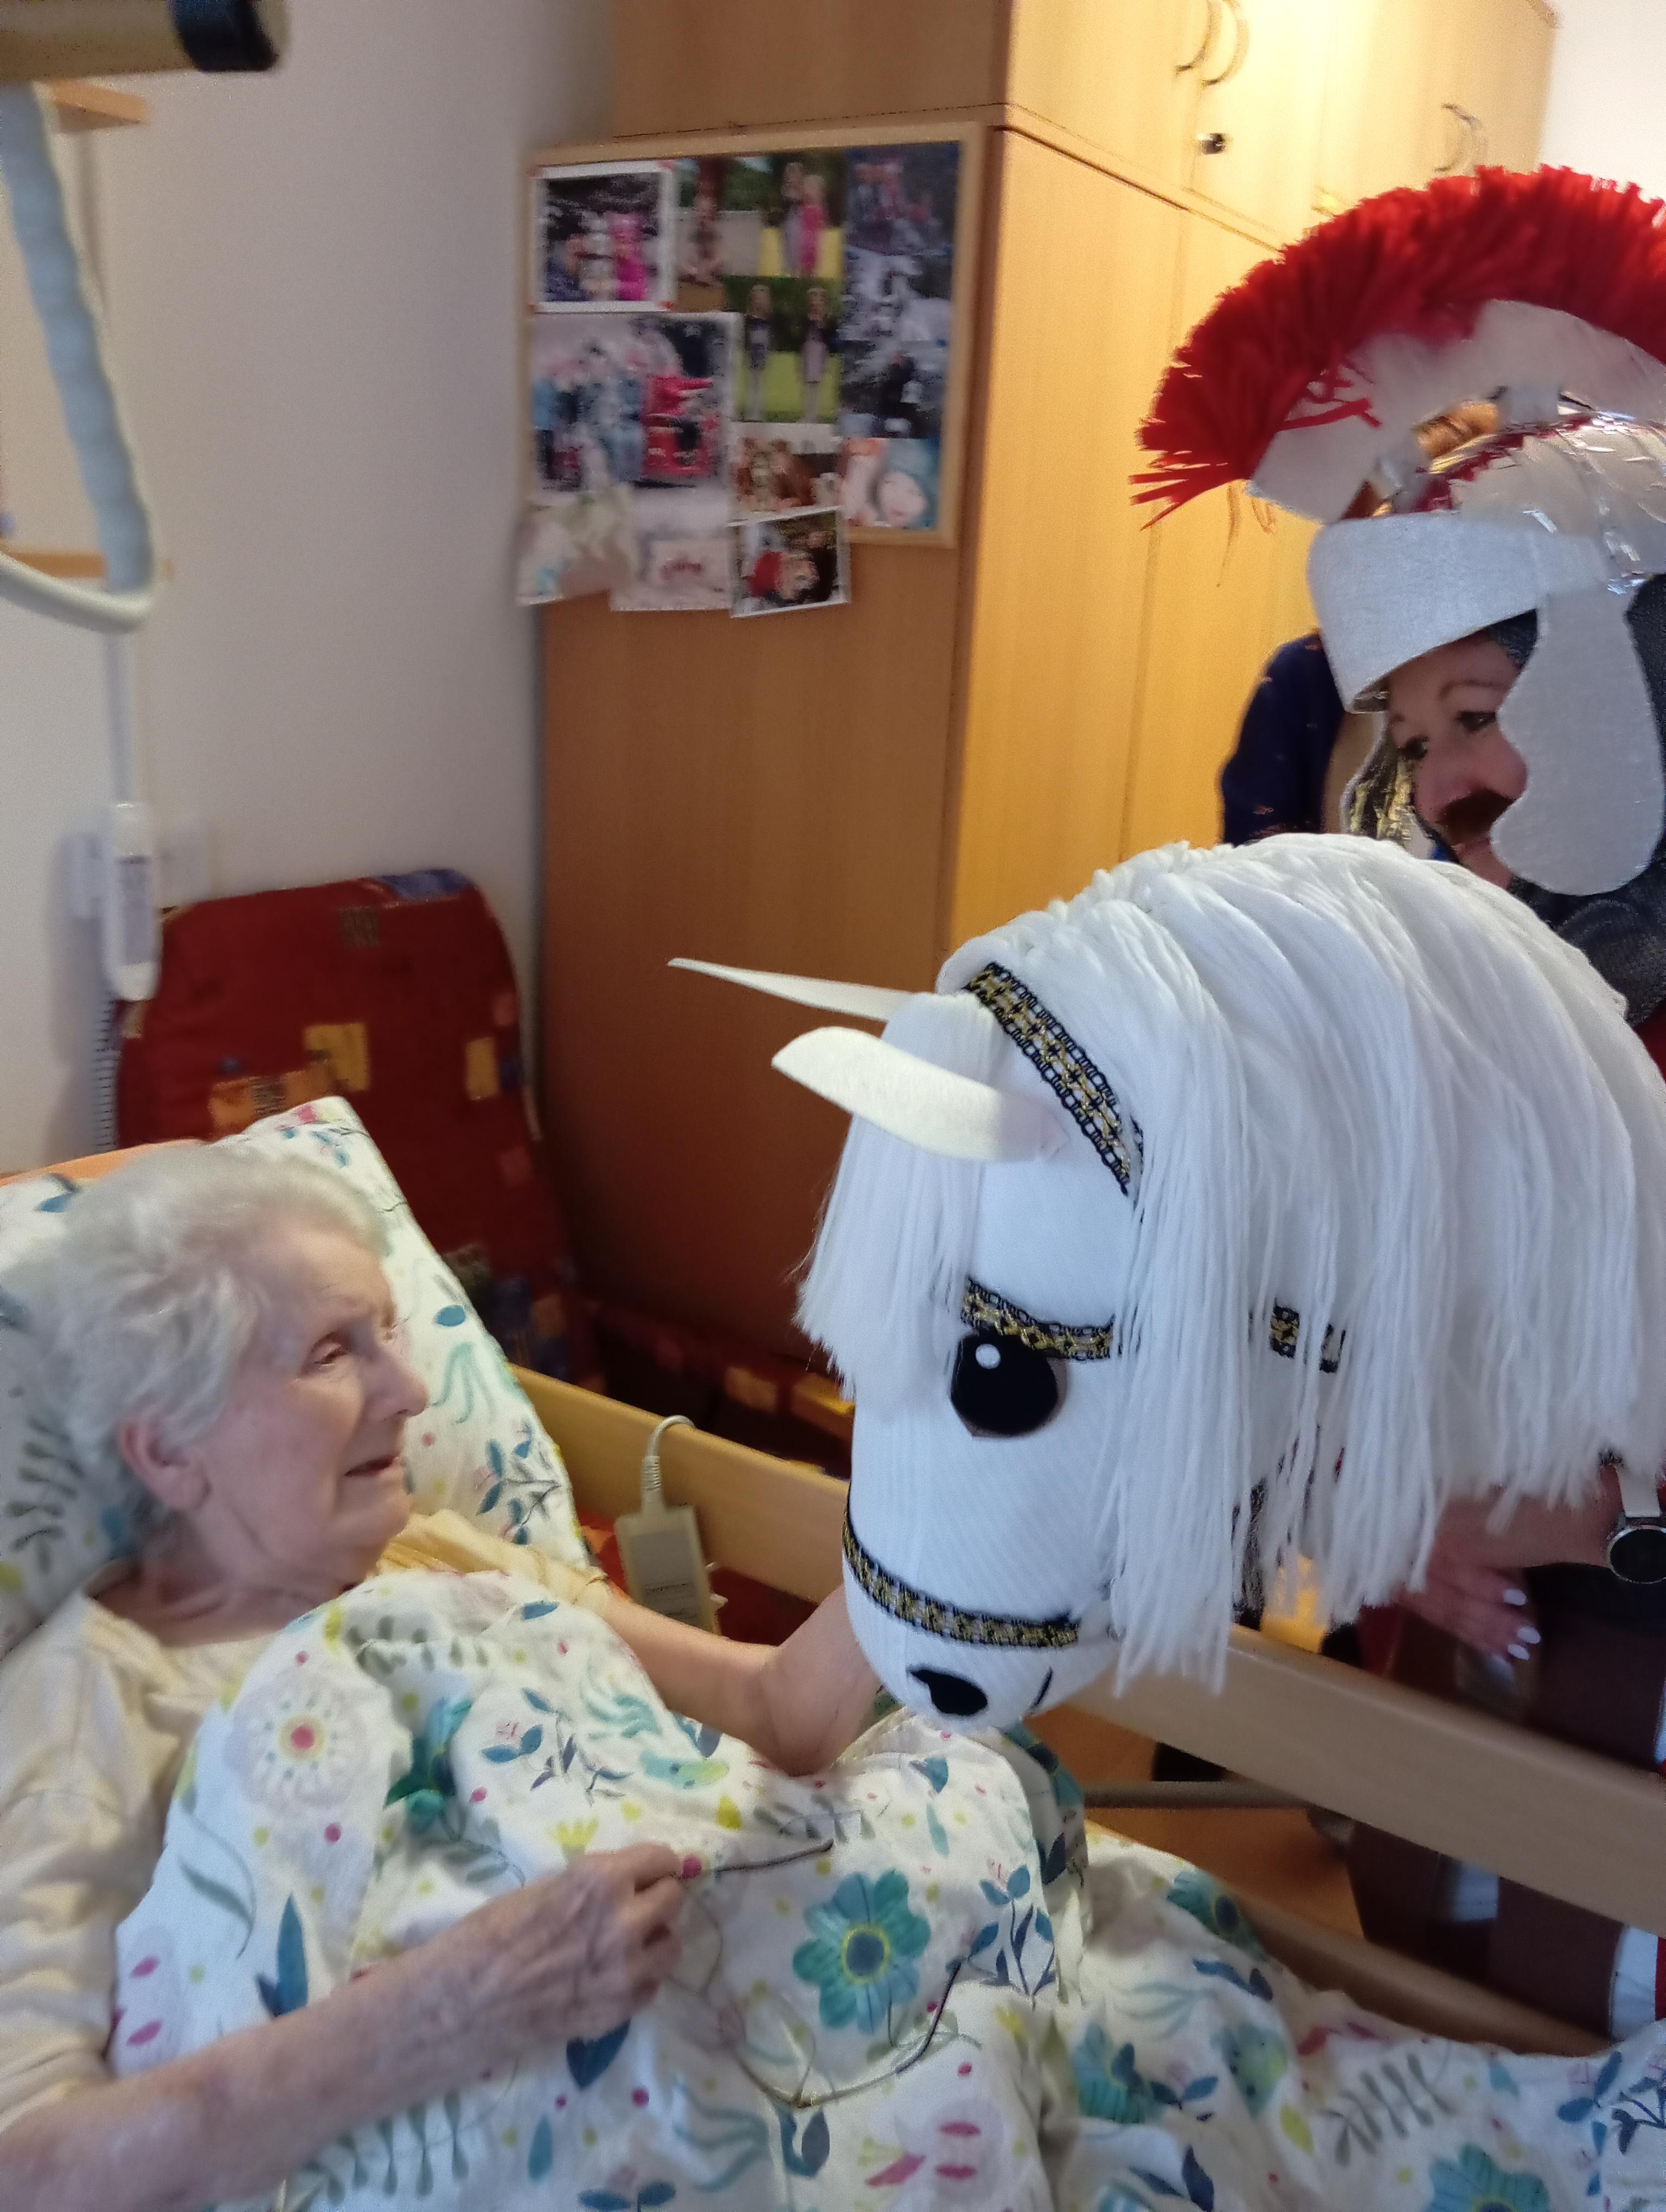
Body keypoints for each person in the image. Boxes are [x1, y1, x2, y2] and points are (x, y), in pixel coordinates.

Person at [1138, 164, 1666, 2034]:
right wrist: (1383, 1509)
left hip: (1620, 1690)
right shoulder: (1446, 1009)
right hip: (1441, 1653)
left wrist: (1512, 1521)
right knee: (1417, 2020)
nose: (1446, 778)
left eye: (1486, 714)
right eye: (1418, 733)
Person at [0, 1150, 877, 2209]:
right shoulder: (81, 1714)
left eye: (390, 1334)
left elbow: (776, 1712)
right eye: (333, 1351)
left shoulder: (432, 1556)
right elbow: (28, 2164)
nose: (411, 1391)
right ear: (170, 1450)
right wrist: (454, 2008)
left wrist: (940, 1514)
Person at [742, 281, 771, 421]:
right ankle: (750, 412)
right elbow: (744, 338)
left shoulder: (768, 319)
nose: (759, 302)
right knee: (750, 382)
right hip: (751, 352)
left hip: (762, 351)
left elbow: (769, 338)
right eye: (757, 299)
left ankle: (758, 411)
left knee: (759, 382)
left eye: (762, 299)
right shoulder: (748, 319)